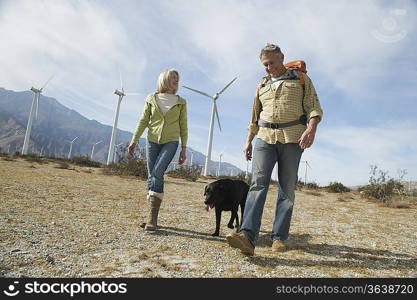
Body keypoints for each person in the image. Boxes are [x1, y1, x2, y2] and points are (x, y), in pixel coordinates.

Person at [226, 43, 323, 256]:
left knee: (286, 189)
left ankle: (279, 237)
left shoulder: (301, 79)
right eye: (264, 65)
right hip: (264, 138)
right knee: (257, 185)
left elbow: (314, 106)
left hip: (293, 139)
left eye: (270, 63)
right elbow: (254, 116)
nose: (267, 68)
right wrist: (248, 140)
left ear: (281, 57)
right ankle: (247, 236)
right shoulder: (261, 85)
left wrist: (312, 128)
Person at [128, 69, 188, 231]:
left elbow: (184, 126)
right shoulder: (151, 98)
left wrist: (183, 148)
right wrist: (134, 140)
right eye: (173, 77)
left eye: (177, 77)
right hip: (152, 140)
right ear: (164, 79)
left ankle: (152, 220)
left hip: (171, 141)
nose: (176, 79)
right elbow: (143, 120)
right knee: (151, 175)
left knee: (157, 173)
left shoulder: (181, 102)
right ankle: (150, 217)